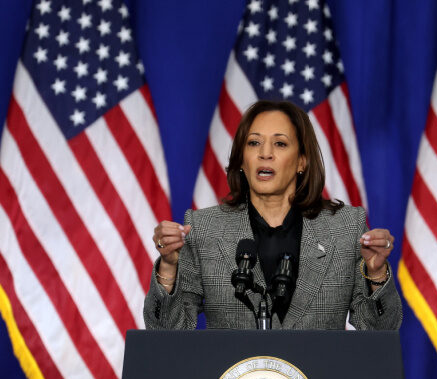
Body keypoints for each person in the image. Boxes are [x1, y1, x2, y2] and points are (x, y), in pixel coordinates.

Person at [144, 100, 401, 330]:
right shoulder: (204, 228)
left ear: (302, 161)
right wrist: (168, 266)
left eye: (280, 143)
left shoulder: (345, 227)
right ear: (242, 161)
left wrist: (376, 274)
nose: (265, 153)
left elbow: (380, 330)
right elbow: (167, 330)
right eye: (254, 143)